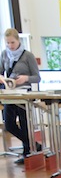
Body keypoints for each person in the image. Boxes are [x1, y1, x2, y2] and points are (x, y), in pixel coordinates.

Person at [0, 28, 41, 165]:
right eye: (7, 43)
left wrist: (26, 78)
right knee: (9, 124)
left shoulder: (28, 56)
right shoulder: (4, 54)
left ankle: (28, 152)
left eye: (12, 42)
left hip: (25, 95)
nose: (10, 46)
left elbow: (37, 77)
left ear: (18, 40)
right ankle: (34, 144)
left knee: (25, 124)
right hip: (10, 94)